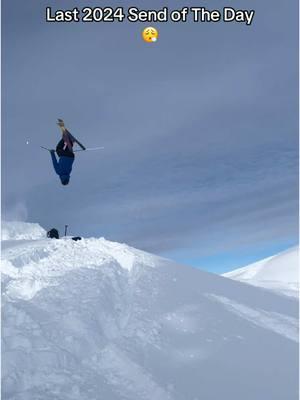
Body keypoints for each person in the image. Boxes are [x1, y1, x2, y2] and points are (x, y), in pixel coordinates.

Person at [50, 119, 85, 186]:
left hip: (71, 156)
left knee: (67, 148)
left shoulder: (69, 172)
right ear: (61, 179)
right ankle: (65, 138)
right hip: (64, 155)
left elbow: (69, 165)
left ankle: (70, 141)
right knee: (58, 149)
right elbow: (54, 162)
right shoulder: (58, 172)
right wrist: (52, 153)